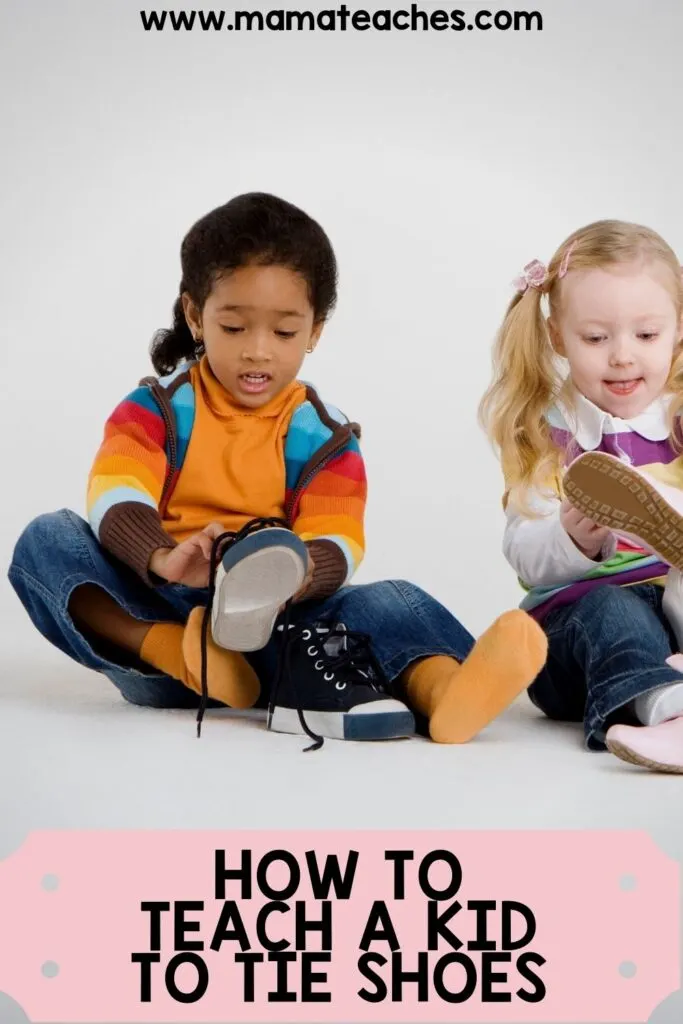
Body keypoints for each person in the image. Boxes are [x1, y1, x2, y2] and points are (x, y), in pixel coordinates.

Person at [9, 192, 546, 749]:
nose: (258, 352)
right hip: (165, 622)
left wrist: (283, 579)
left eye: (284, 333)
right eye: (235, 328)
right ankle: (176, 650)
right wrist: (166, 559)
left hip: (276, 628)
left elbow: (337, 537)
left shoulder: (323, 433)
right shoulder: (158, 410)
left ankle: (447, 692)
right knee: (46, 540)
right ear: (196, 316)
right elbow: (115, 492)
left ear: (315, 330)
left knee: (393, 600)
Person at [479, 219, 683, 772]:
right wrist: (571, 537)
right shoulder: (548, 431)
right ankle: (665, 710)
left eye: (646, 336)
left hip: (672, 613)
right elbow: (524, 553)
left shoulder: (679, 421)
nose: (622, 356)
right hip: (572, 636)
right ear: (557, 338)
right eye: (596, 338)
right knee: (617, 612)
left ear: (678, 331)